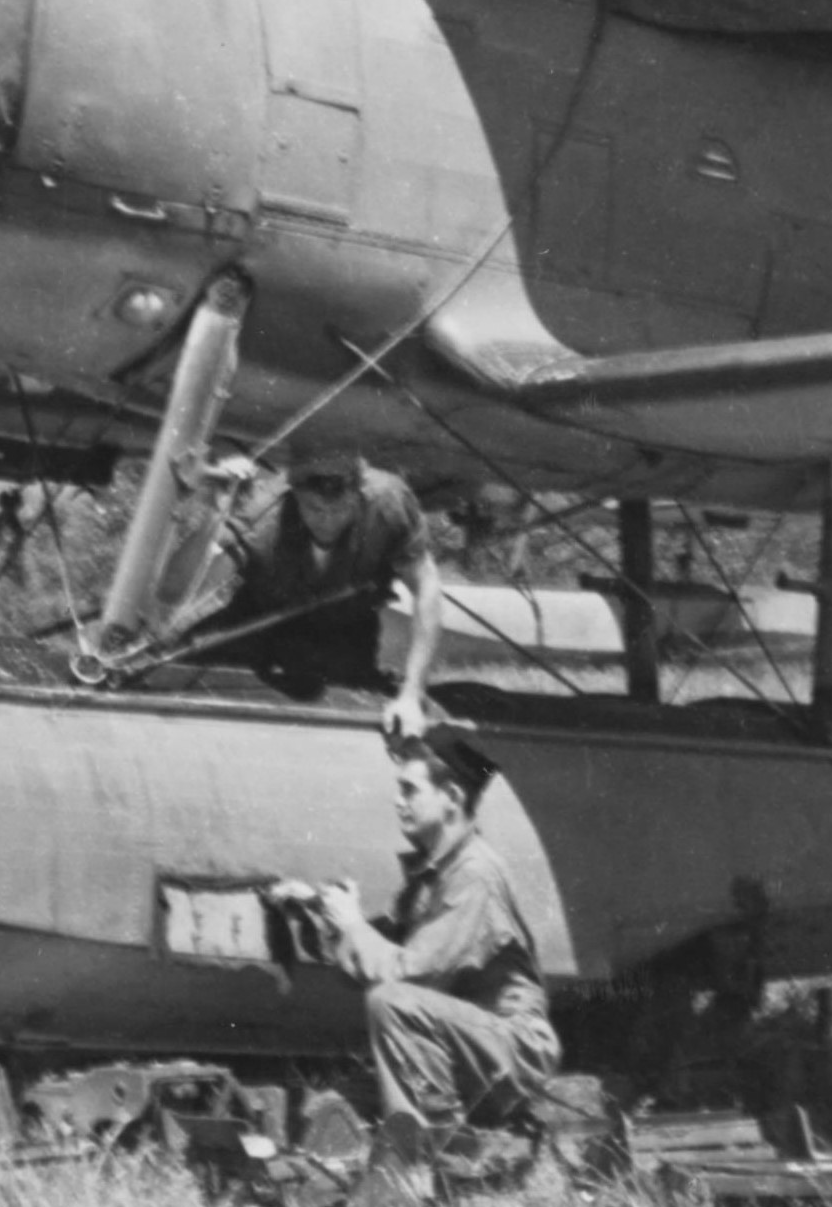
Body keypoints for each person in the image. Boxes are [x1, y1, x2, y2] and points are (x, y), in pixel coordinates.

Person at [278, 729, 562, 1142]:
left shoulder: (474, 874)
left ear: (451, 797)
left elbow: (409, 975)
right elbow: (374, 956)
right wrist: (323, 913)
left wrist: (353, 926)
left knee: (391, 1000)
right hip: (468, 1044)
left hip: (511, 1050)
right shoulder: (436, 874)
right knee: (329, 1107)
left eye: (410, 790)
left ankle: (428, 1152)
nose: (398, 801)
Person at [200, 458, 424, 698]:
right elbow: (178, 593)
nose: (327, 521)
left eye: (340, 509)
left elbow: (426, 589)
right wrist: (215, 514)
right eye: (314, 508)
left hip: (343, 646)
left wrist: (412, 691)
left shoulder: (388, 510)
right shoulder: (263, 517)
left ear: (358, 499)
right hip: (255, 635)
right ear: (295, 497)